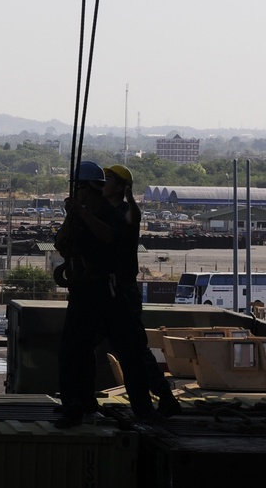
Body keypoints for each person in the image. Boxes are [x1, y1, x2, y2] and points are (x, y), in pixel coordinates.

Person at [54, 160, 158, 429]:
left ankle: (145, 407)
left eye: (80, 188)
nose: (77, 193)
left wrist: (80, 213)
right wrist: (72, 215)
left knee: (129, 351)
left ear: (90, 189)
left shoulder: (116, 213)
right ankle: (78, 405)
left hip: (110, 292)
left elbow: (109, 235)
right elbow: (63, 244)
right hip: (86, 291)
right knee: (74, 350)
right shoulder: (83, 211)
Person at [103, 164, 181, 418]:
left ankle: (163, 396)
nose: (105, 183)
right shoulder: (105, 211)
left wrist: (130, 199)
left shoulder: (126, 211)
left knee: (136, 349)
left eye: (109, 180)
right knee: (130, 349)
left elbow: (134, 219)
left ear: (122, 187)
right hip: (112, 288)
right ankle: (155, 400)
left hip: (123, 289)